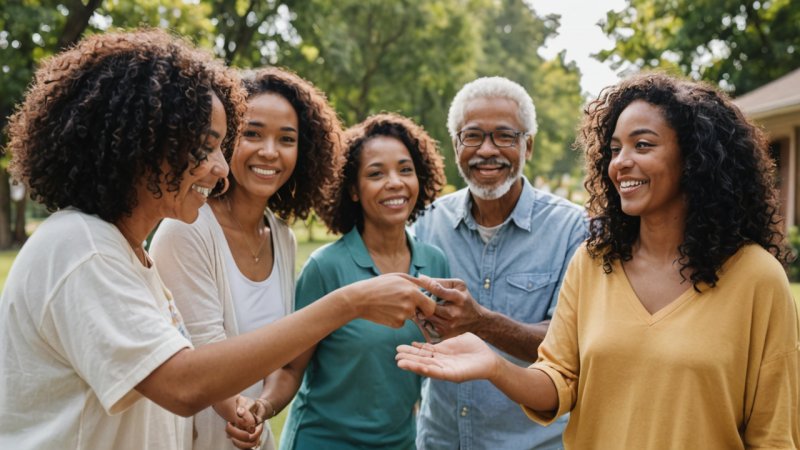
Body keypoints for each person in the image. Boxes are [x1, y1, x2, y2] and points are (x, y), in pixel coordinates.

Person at [0, 29, 436, 450]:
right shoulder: (81, 248)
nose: (220, 168)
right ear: (142, 143)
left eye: (219, 147)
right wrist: (349, 302)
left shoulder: (126, 253)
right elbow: (184, 384)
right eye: (204, 148)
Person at [397, 72, 800, 449]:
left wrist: (485, 322)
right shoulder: (594, 262)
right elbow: (559, 378)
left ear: (693, 157)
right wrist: (495, 367)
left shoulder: (755, 278)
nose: (620, 162)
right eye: (614, 149)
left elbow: (774, 433)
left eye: (642, 145)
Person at [150, 67, 341, 450]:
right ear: (225, 139)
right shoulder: (187, 228)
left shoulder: (282, 238)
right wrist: (240, 411)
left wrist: (262, 408)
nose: (270, 152)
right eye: (252, 134)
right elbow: (208, 361)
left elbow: (285, 365)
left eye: (286, 139)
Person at [411, 76, 586, 449]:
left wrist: (481, 323)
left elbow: (572, 349)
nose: (487, 150)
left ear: (529, 146)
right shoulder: (427, 223)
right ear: (456, 145)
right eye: (472, 136)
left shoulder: (573, 228)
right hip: (440, 441)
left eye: (505, 136)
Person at [279, 113, 448, 450]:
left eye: (405, 170)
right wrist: (261, 409)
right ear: (353, 190)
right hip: (322, 442)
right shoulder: (325, 268)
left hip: (400, 442)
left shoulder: (435, 263)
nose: (395, 182)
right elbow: (289, 369)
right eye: (376, 173)